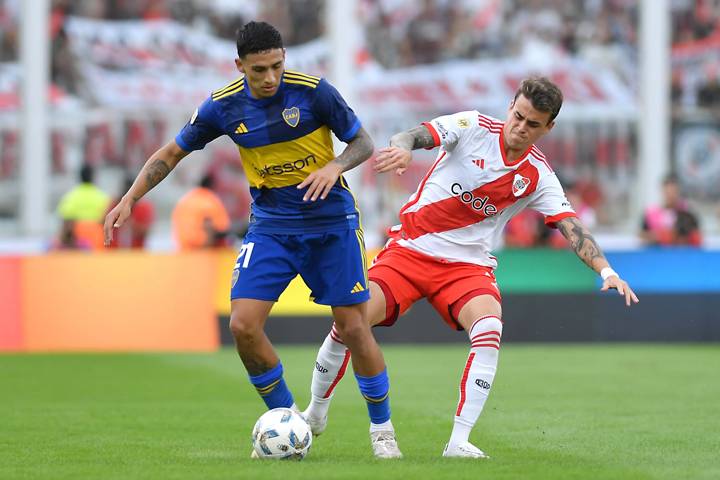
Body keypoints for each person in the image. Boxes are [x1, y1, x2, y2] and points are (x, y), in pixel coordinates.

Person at [103, 21, 401, 459]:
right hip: (272, 227)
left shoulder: (315, 92)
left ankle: (383, 433)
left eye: (277, 66)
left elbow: (363, 142)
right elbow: (170, 153)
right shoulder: (222, 107)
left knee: (355, 327)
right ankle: (290, 422)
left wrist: (335, 166)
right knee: (242, 326)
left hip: (331, 223)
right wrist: (130, 197)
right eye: (259, 69)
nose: (270, 78)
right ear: (239, 65)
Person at [303, 77, 639, 458]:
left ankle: (459, 440)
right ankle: (315, 411)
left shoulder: (538, 176)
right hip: (409, 251)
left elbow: (571, 225)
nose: (520, 127)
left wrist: (607, 272)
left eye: (532, 124)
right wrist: (401, 148)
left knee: (490, 326)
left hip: (466, 267)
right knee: (350, 323)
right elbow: (416, 135)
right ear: (511, 106)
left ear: (549, 128)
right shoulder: (475, 126)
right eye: (518, 116)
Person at [57, 163, 110, 250]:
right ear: (93, 177)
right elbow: (106, 217)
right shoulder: (101, 195)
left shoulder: (71, 195)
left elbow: (66, 219)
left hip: (78, 235)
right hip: (97, 234)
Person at [171, 173, 230, 250]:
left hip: (184, 251)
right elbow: (209, 226)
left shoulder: (185, 200)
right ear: (213, 186)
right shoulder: (210, 200)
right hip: (203, 251)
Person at [640, 173, 701, 246]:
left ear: (678, 190)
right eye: (667, 190)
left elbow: (696, 238)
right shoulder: (651, 214)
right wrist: (659, 236)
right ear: (662, 190)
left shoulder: (687, 214)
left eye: (674, 191)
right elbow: (642, 236)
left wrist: (676, 237)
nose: (670, 195)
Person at [107, 175, 155, 249]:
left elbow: (147, 231)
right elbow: (104, 224)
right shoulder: (115, 206)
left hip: (136, 252)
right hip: (114, 252)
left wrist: (132, 225)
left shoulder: (143, 208)